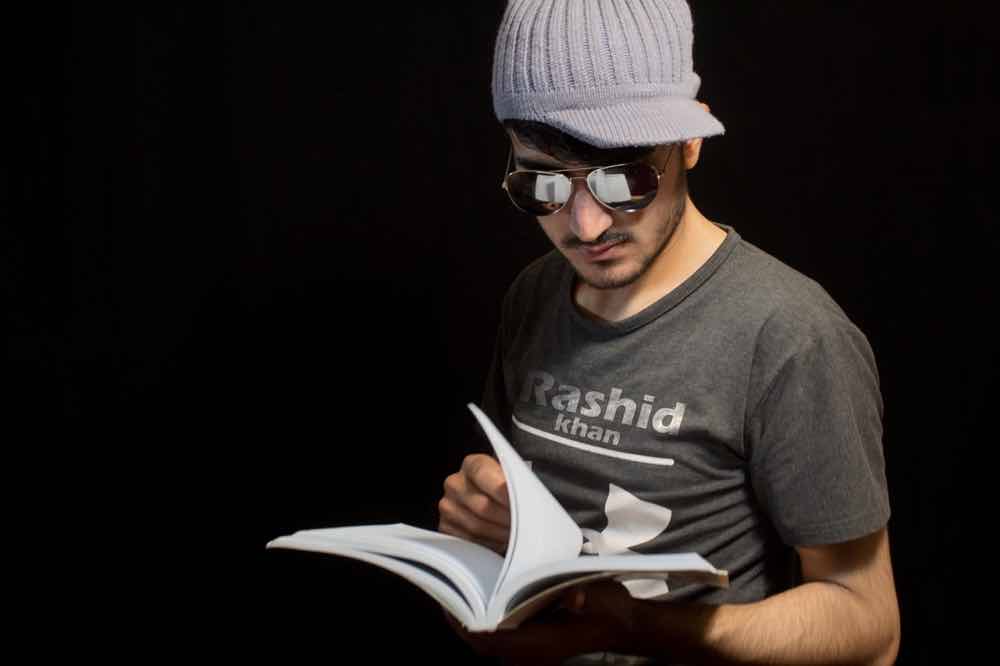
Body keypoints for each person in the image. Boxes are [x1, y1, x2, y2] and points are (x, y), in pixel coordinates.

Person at [437, 1, 901, 664]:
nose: (587, 227)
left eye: (625, 178)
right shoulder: (534, 294)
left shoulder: (791, 336)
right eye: (543, 183)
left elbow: (870, 626)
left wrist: (635, 626)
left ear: (690, 141)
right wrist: (482, 532)